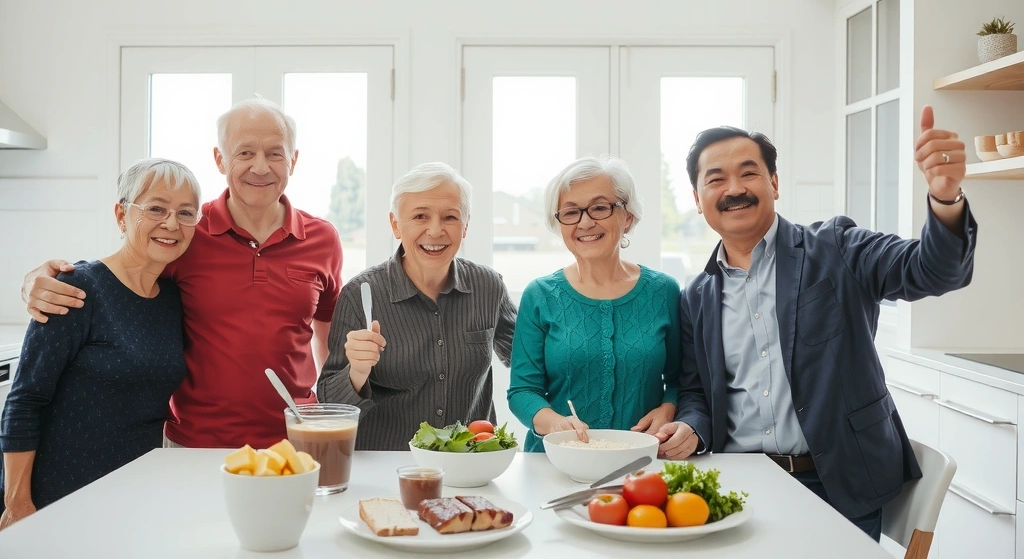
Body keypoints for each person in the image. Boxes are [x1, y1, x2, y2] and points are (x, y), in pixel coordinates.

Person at [655, 106, 977, 541]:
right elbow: (696, 391)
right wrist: (691, 427)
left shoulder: (837, 248)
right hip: (741, 488)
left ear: (774, 183)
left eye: (749, 173)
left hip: (840, 485)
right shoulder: (697, 296)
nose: (734, 189)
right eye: (715, 179)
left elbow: (934, 271)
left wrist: (945, 199)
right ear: (698, 200)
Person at [20, 98, 343, 449]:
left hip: (293, 441)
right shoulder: (186, 231)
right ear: (220, 160)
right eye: (245, 153)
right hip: (195, 444)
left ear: (293, 160)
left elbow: (327, 343)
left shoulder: (323, 239)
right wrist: (39, 279)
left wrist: (324, 420)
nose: (261, 167)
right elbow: (122, 272)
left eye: (275, 153)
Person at [0, 159, 201, 529]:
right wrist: (17, 504)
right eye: (156, 208)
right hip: (58, 496)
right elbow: (25, 400)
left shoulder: (172, 298)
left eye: (185, 213)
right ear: (121, 214)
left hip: (134, 495)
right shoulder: (77, 288)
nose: (171, 223)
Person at [318, 162, 516, 450]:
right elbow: (329, 407)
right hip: (386, 465)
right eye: (420, 216)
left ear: (466, 226)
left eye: (450, 217)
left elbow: (531, 363)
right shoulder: (361, 294)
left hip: (469, 465)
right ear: (396, 225)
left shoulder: (489, 287)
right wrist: (357, 373)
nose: (435, 231)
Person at [508, 156, 681, 453]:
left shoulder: (663, 291)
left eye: (600, 208)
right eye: (571, 212)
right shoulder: (539, 295)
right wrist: (555, 424)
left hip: (640, 462)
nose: (585, 222)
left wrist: (669, 407)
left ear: (627, 216)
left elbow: (683, 379)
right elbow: (523, 391)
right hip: (555, 462)